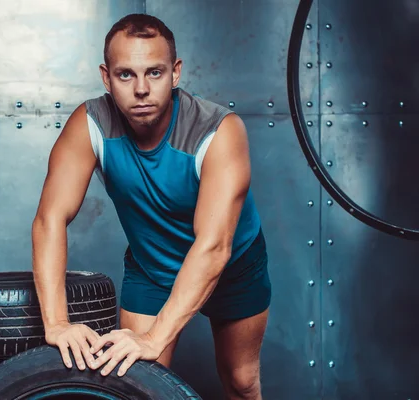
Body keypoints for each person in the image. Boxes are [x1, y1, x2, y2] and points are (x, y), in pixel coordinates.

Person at [31, 13, 271, 400]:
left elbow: (213, 247)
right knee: (139, 381)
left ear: (175, 73)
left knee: (241, 382)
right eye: (126, 75)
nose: (141, 89)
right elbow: (49, 220)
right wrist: (57, 323)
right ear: (106, 77)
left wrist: (156, 336)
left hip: (232, 266)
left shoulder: (219, 131)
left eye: (154, 73)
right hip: (153, 266)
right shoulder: (90, 124)